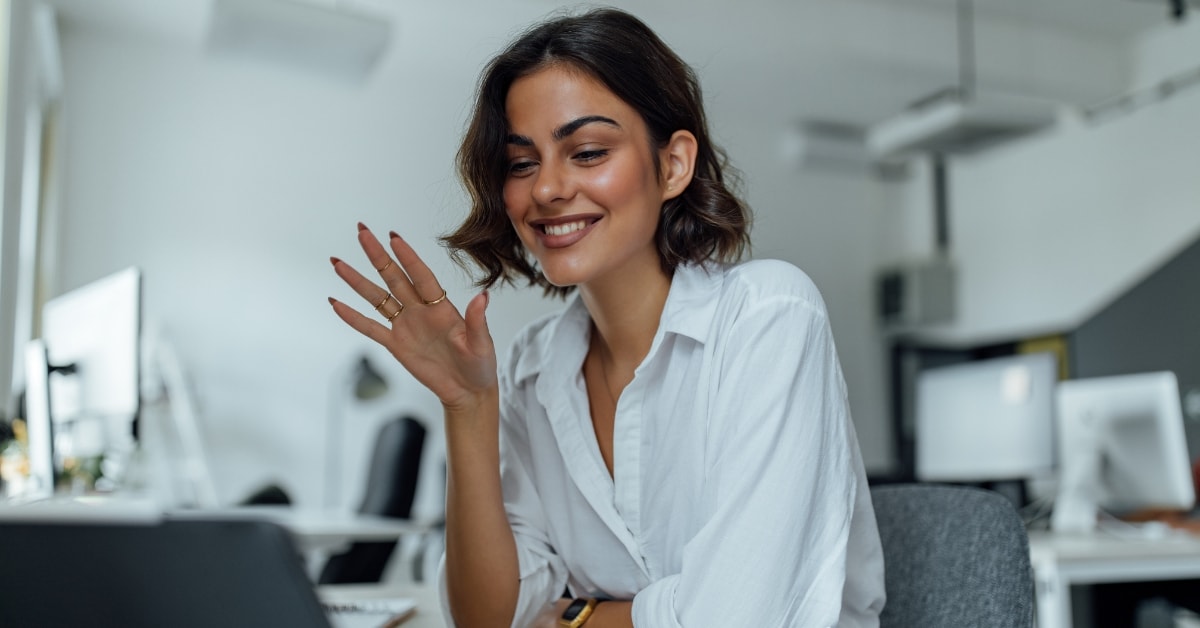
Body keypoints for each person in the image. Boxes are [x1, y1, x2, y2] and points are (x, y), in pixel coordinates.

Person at [329, 7, 885, 627]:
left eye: (587, 152)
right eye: (521, 163)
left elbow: (737, 617)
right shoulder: (531, 370)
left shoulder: (769, 318)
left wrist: (575, 617)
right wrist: (468, 409)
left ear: (672, 165)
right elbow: (489, 618)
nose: (546, 189)